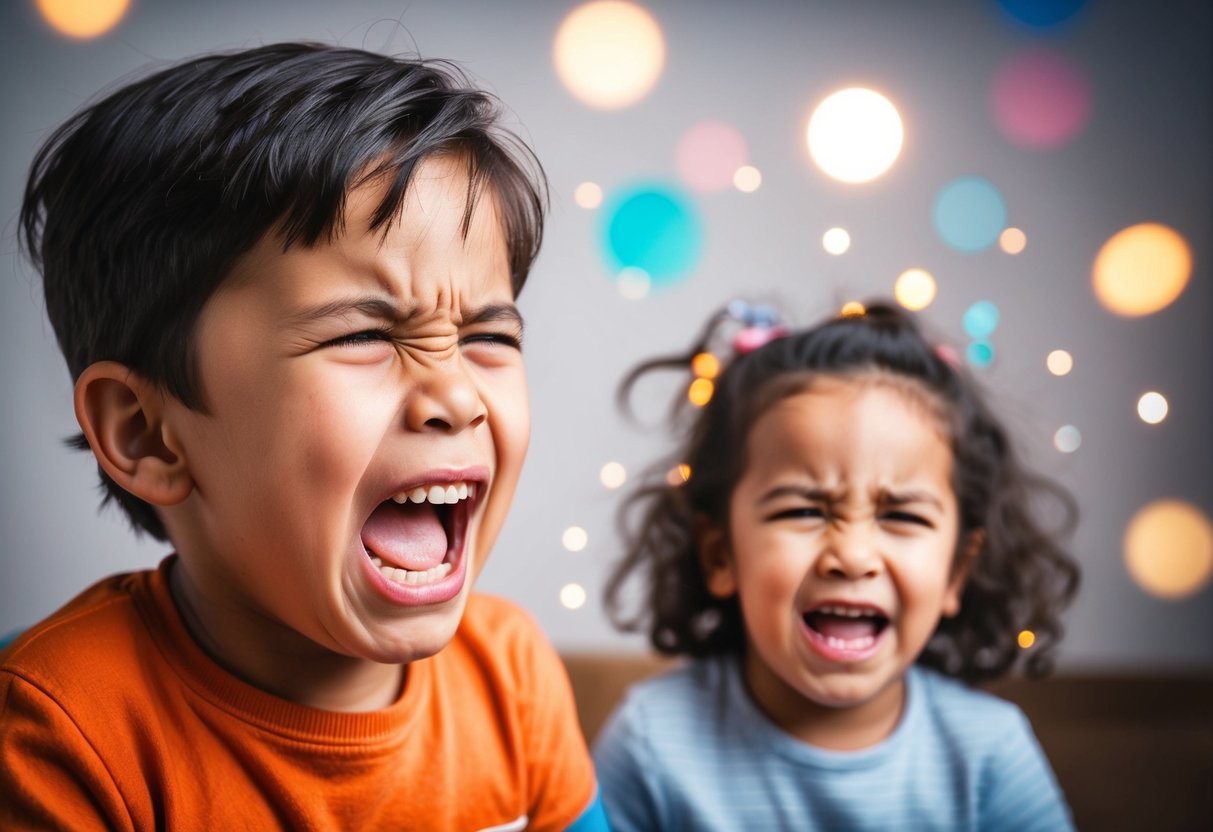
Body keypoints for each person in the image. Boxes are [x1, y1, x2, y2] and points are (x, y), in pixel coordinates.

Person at [0, 42, 607, 831]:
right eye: (364, 335)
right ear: (147, 433)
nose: (456, 395)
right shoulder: (60, 733)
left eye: (487, 335)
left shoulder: (512, 679)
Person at [593, 299, 1081, 830]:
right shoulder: (652, 743)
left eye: (902, 516)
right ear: (720, 554)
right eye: (803, 510)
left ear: (957, 572)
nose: (851, 555)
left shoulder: (989, 755)